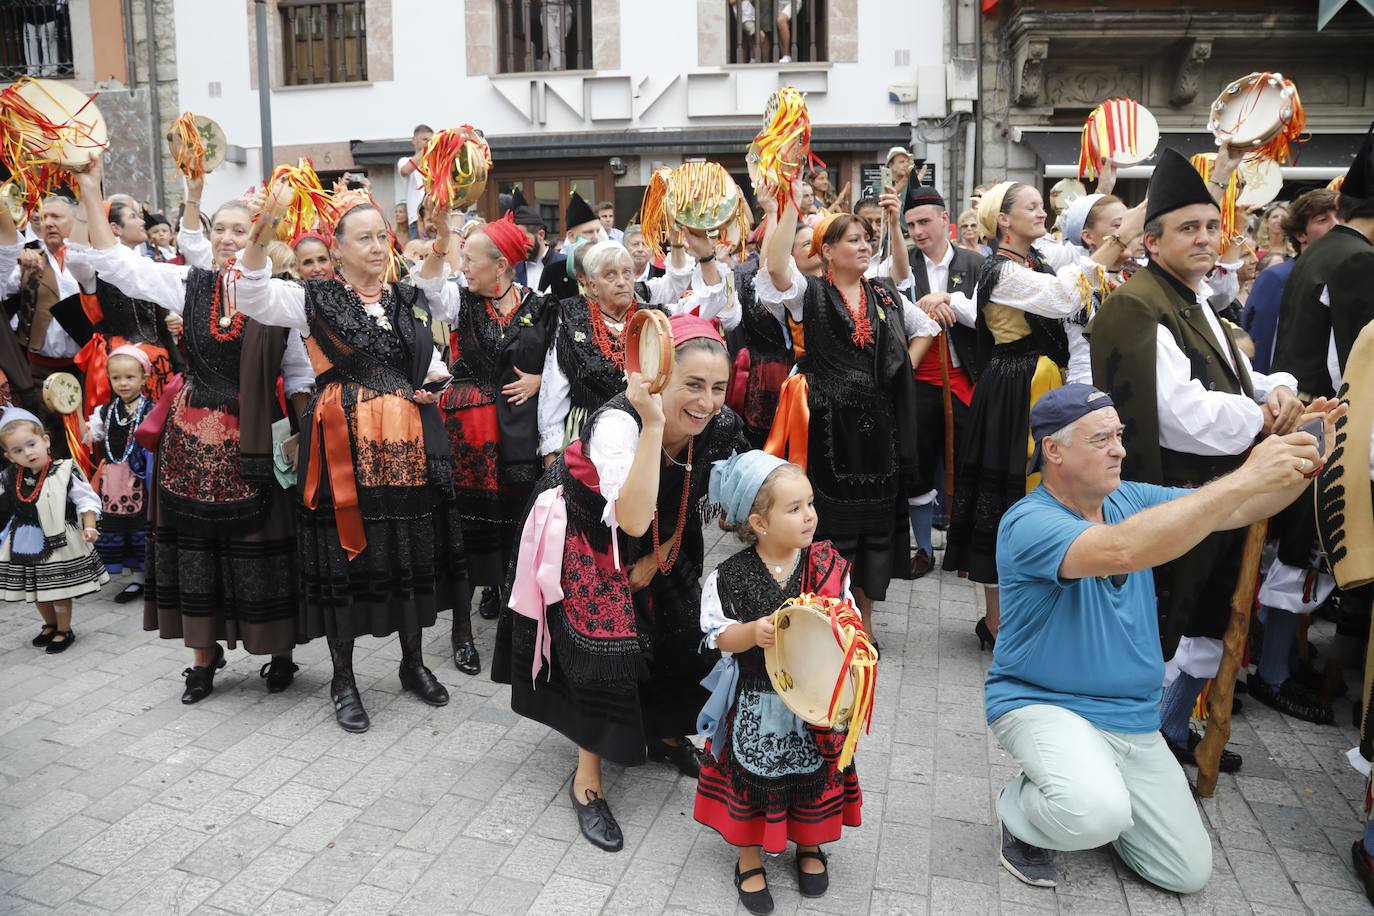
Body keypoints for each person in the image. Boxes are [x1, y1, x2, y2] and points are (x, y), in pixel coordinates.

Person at [988, 383, 1336, 892]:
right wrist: (1247, 476)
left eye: (1120, 435)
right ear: (1053, 450)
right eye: (1102, 437)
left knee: (1186, 872)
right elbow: (1122, 550)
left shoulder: (1126, 496)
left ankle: (1093, 796)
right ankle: (1025, 812)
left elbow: (1235, 508)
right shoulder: (1028, 522)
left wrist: (1309, 456)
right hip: (1043, 704)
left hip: (1130, 718)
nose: (1120, 449)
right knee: (1093, 813)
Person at [495, 315, 748, 851]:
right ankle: (587, 779)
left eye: (718, 387)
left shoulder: (718, 425)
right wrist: (654, 424)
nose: (706, 402)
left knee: (680, 627)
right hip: (591, 534)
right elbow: (630, 518)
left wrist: (663, 558)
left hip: (663, 533)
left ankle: (662, 730)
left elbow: (719, 484)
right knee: (606, 651)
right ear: (659, 379)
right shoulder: (621, 423)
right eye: (693, 386)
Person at [1089, 148, 1303, 771]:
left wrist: (1277, 388)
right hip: (1170, 494)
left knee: (1207, 616)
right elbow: (1180, 410)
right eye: (1189, 228)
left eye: (1211, 226)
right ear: (1152, 242)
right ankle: (1136, 749)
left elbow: (1233, 375)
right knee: (1161, 624)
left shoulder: (1194, 296)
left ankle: (1173, 730)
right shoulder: (1139, 303)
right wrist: (1261, 418)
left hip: (1213, 491)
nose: (1207, 238)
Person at [69, 155, 311, 706]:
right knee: (196, 552)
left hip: (257, 442)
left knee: (265, 548)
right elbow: (115, 262)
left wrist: (297, 436)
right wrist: (90, 189)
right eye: (219, 229)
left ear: (261, 233)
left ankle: (279, 651)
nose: (228, 238)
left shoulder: (279, 293)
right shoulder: (187, 283)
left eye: (240, 229)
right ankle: (203, 659)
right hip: (189, 442)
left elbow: (296, 372)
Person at [233, 181, 464, 734]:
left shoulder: (406, 297)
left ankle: (412, 663)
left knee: (406, 551)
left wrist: (433, 383)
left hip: (406, 448)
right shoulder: (312, 298)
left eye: (381, 236)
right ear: (335, 248)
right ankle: (344, 680)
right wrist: (262, 234)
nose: (378, 247)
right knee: (346, 555)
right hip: (345, 446)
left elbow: (442, 307)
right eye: (363, 239)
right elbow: (251, 294)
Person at [941, 181, 1119, 649]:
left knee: (1038, 496)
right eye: (1032, 207)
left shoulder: (1037, 260)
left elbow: (1074, 281)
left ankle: (1027, 611)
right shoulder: (999, 271)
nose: (1042, 214)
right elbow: (1063, 296)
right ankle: (997, 621)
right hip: (1013, 391)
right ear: (1004, 219)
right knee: (1005, 499)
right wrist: (1115, 243)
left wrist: (1120, 212)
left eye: (1043, 206)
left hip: (1038, 386)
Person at [761, 181, 942, 638]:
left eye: (867, 239)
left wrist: (898, 371)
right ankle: (825, 620)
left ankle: (865, 624)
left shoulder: (882, 295)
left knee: (876, 529)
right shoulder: (811, 294)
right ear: (828, 251)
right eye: (853, 240)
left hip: (879, 431)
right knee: (828, 527)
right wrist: (785, 208)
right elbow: (777, 267)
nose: (864, 246)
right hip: (827, 432)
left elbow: (926, 330)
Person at [695, 453, 861, 914]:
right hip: (757, 703)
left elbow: (850, 617)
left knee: (814, 776)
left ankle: (809, 844)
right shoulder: (729, 577)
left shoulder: (827, 566)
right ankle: (749, 856)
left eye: (810, 504)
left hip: (814, 700)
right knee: (750, 780)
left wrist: (843, 631)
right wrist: (751, 633)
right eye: (794, 508)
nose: (810, 515)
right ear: (759, 522)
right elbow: (715, 635)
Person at [1256, 123, 1374, 725]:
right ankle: (1273, 671)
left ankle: (1281, 662)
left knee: (1296, 552)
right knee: (1304, 556)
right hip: (1328, 418)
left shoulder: (1325, 250)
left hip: (1302, 407)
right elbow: (1358, 358)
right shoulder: (1357, 258)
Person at [413, 209, 556, 672]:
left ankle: (516, 629)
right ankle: (460, 632)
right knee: (463, 534)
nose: (464, 267)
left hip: (517, 439)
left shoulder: (541, 306)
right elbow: (429, 286)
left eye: (472, 259)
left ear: (501, 265)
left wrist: (538, 380)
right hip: (467, 439)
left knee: (516, 531)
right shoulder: (461, 301)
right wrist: (441, 237)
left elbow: (557, 365)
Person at [536, 237, 703, 461]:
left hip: (649, 432)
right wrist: (552, 451)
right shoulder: (572, 327)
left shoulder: (655, 318)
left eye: (627, 273)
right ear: (593, 286)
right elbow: (554, 392)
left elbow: (705, 303)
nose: (622, 282)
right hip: (590, 439)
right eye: (610, 275)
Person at [893, 184, 983, 578]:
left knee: (968, 463)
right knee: (916, 462)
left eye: (925, 221)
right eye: (911, 224)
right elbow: (892, 308)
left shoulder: (976, 263)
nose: (918, 231)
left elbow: (987, 318)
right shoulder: (903, 263)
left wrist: (948, 300)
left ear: (945, 220)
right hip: (919, 379)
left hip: (965, 376)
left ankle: (962, 550)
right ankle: (923, 550)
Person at [0, 405, 107, 655]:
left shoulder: (64, 470)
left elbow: (86, 500)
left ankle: (64, 629)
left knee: (57, 589)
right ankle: (49, 625)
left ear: (45, 440)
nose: (27, 453)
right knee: (37, 589)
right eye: (18, 450)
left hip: (58, 539)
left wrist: (89, 526)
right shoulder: (9, 476)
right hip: (24, 540)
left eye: (31, 444)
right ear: (9, 456)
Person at [1241, 189, 1340, 374]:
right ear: (1300, 234)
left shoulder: (1349, 274)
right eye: (1322, 219)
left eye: (1340, 217)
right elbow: (1262, 345)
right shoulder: (1277, 278)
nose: (1335, 225)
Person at [86, 345, 155, 604]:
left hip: (143, 478)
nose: (123, 383)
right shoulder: (105, 412)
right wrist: (75, 424)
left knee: (144, 529)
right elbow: (92, 435)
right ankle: (137, 579)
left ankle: (155, 578)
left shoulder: (152, 409)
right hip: (114, 481)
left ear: (144, 378)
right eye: (116, 378)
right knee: (124, 531)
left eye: (129, 377)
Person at [396, 125, 434, 240]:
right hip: (416, 220)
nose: (428, 143)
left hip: (435, 219)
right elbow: (406, 170)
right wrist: (427, 150)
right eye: (424, 139)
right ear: (414, 140)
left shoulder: (435, 164)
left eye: (431, 140)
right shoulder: (405, 161)